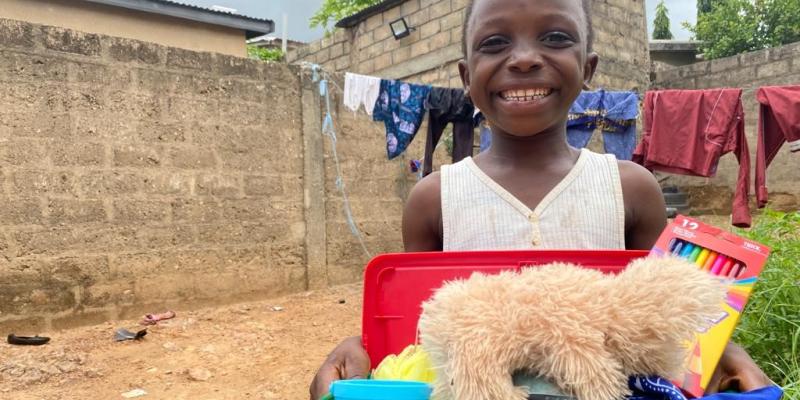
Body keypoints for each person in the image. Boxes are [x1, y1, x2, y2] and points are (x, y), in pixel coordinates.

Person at [309, 0, 773, 397]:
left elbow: (660, 312)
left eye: (554, 38)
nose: (526, 58)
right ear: (467, 77)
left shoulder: (631, 188)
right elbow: (422, 330)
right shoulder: (433, 198)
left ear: (588, 68)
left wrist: (719, 349)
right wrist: (363, 347)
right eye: (495, 43)